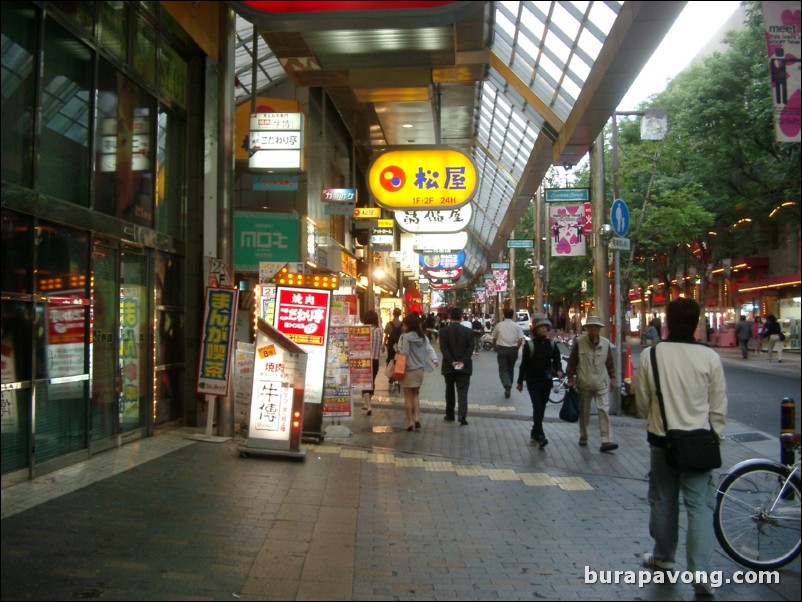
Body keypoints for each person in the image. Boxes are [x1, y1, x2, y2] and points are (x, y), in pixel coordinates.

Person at [634, 297, 727, 596]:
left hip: (662, 440)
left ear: (668, 322)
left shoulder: (653, 354)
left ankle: (663, 558)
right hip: (699, 443)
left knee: (663, 500)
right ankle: (700, 573)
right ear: (697, 322)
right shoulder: (709, 357)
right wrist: (715, 437)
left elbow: (642, 401)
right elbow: (718, 406)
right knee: (699, 506)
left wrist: (653, 418)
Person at [565, 315, 618, 452]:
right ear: (587, 328)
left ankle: (606, 440)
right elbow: (572, 361)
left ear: (599, 329)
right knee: (584, 412)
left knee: (603, 410)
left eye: (596, 327)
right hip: (585, 383)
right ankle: (583, 435)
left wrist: (613, 378)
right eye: (591, 327)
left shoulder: (605, 344)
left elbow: (610, 363)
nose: (593, 330)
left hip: (601, 383)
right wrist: (570, 378)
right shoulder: (579, 343)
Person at [516, 317, 563, 448]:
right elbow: (524, 364)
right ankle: (540, 435)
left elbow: (557, 360)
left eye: (545, 327)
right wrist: (520, 382)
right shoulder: (530, 345)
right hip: (533, 380)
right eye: (541, 327)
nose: (543, 329)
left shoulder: (551, 344)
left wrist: (558, 370)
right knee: (537, 406)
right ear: (535, 329)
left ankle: (535, 431)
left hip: (546, 380)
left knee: (542, 406)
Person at [397, 313, 439, 431]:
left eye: (404, 325)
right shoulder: (423, 337)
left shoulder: (405, 337)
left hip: (408, 370)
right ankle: (417, 418)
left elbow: (404, 353)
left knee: (407, 395)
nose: (403, 327)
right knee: (415, 395)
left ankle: (410, 421)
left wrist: (397, 350)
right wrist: (435, 359)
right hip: (419, 370)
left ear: (408, 326)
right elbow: (429, 349)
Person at [439, 307, 475, 425]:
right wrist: (463, 361)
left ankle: (450, 414)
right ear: (461, 317)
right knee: (463, 391)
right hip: (464, 367)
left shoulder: (444, 331)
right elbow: (471, 349)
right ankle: (462, 416)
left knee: (449, 390)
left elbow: (443, 348)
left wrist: (451, 361)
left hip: (449, 367)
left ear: (450, 317)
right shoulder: (469, 332)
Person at [491, 308, 526, 399]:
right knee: (511, 368)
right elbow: (520, 339)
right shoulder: (516, 326)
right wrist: (516, 348)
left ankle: (507, 385)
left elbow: (494, 338)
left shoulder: (499, 325)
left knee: (503, 369)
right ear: (512, 315)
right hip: (513, 350)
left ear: (504, 315)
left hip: (502, 349)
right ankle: (509, 384)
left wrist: (495, 347)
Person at [360, 309, 383, 416]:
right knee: (371, 381)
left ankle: (368, 405)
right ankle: (367, 403)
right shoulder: (379, 331)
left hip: (364, 359)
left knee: (365, 382)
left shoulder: (363, 330)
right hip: (375, 360)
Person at [384, 308, 403, 390]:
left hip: (391, 345)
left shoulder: (389, 324)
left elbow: (386, 335)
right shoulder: (402, 324)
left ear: (393, 314)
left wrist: (384, 344)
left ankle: (390, 376)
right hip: (399, 344)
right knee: (398, 360)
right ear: (399, 314)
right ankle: (397, 377)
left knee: (390, 359)